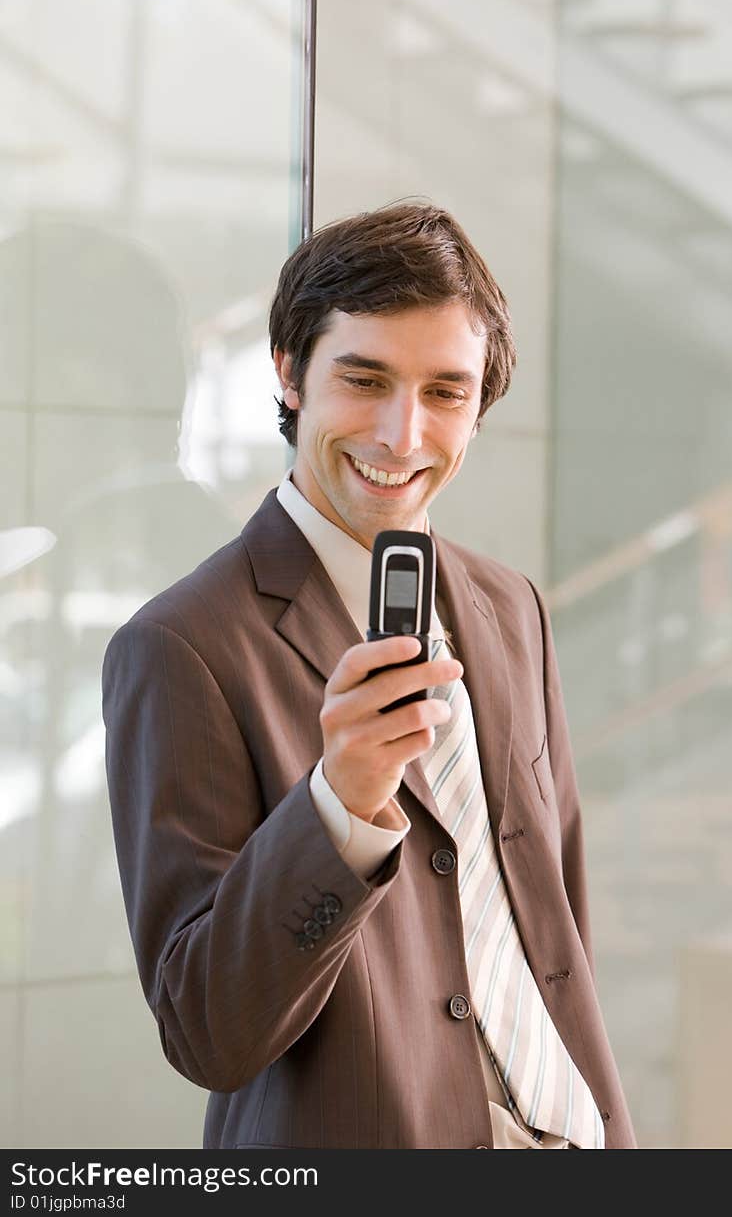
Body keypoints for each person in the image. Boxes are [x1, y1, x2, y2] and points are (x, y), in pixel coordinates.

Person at [102, 202, 636, 1150]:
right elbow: (205, 1029)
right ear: (288, 372)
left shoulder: (511, 608)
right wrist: (338, 806)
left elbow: (558, 925)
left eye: (445, 391)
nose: (402, 434)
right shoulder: (181, 645)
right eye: (366, 378)